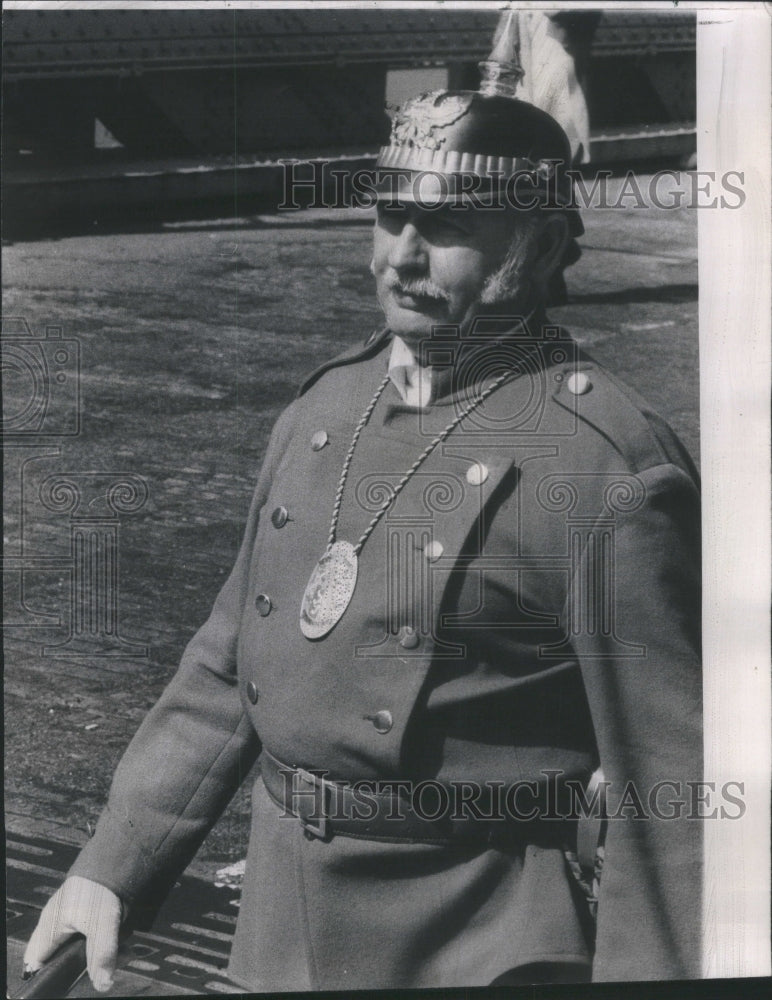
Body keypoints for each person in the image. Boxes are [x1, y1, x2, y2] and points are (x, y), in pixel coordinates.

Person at [23, 61, 702, 992]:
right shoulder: (326, 407)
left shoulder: (605, 468)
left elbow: (674, 805)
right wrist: (112, 865)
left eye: (450, 227)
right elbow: (228, 668)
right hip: (276, 934)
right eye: (390, 218)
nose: (401, 259)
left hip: (480, 943)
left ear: (541, 247)